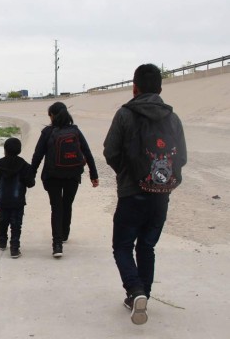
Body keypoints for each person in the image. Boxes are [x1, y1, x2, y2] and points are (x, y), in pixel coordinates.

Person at [103, 63, 187, 325]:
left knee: (123, 246)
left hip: (131, 193)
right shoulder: (173, 118)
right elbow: (181, 158)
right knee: (147, 246)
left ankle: (135, 291)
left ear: (134, 88)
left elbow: (110, 152)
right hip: (161, 194)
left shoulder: (125, 114)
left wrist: (128, 174)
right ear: (160, 89)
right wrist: (160, 178)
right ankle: (143, 296)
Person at [30, 102, 99, 258]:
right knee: (67, 204)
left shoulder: (47, 132)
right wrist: (94, 175)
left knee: (56, 206)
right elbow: (87, 153)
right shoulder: (75, 131)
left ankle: (57, 244)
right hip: (73, 175)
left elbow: (37, 155)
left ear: (52, 116)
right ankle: (65, 233)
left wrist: (31, 175)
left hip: (52, 175)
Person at [0, 137, 35, 258]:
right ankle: (14, 248)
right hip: (17, 200)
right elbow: (31, 183)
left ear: (5, 150)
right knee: (16, 224)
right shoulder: (24, 165)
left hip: (2, 199)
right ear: (19, 150)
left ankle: (2, 242)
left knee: (3, 220)